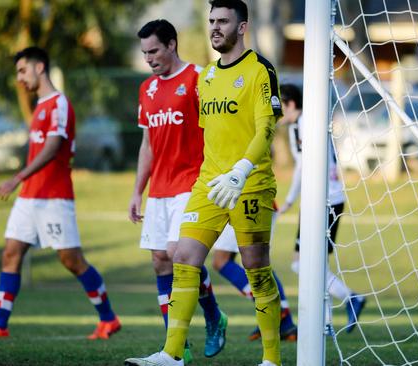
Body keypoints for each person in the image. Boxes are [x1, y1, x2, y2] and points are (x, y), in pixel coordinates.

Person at [125, 1, 283, 365]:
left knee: (256, 269)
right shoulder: (208, 77)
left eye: (223, 21)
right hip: (209, 185)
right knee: (182, 256)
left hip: (251, 184)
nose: (215, 27)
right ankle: (173, 354)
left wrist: (241, 170)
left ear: (242, 27)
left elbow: (267, 128)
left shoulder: (260, 69)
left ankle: (271, 359)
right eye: (211, 20)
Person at [0, 46, 120, 339]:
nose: (20, 78)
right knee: (11, 252)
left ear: (39, 68)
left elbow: (53, 147)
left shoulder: (59, 103)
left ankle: (108, 318)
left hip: (53, 197)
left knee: (71, 260)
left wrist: (17, 177)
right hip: (29, 198)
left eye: (23, 71)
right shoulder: (39, 106)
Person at [128, 19, 228, 362]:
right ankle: (180, 344)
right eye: (144, 53)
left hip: (193, 182)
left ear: (172, 44)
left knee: (177, 253)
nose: (149, 59)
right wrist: (137, 191)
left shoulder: (199, 78)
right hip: (159, 190)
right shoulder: (147, 90)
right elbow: (147, 145)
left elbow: (220, 129)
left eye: (153, 50)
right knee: (159, 262)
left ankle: (207, 322)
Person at [278, 83, 366, 334]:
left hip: (326, 199)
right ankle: (345, 304)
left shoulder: (307, 123)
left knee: (309, 263)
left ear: (291, 104)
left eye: (279, 106)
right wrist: (292, 200)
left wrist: (292, 200)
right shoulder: (298, 125)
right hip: (316, 200)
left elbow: (307, 166)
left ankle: (331, 317)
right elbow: (300, 167)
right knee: (302, 263)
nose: (276, 112)